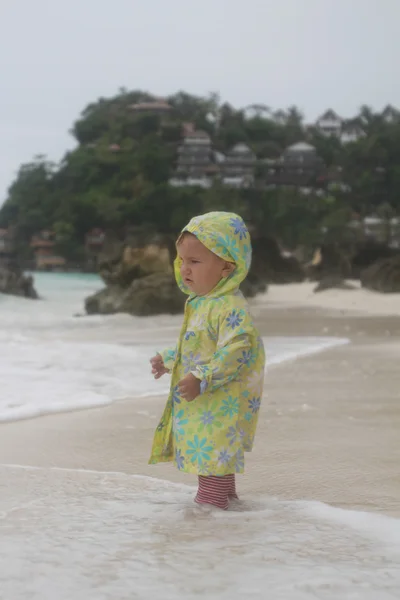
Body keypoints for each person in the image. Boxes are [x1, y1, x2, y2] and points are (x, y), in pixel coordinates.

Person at [149, 211, 265, 510]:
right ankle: (228, 506)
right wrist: (169, 359)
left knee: (212, 455)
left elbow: (237, 349)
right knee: (215, 456)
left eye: (195, 262)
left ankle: (211, 518)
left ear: (227, 267)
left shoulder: (229, 307)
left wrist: (203, 376)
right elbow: (196, 344)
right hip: (207, 399)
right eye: (182, 261)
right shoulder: (202, 302)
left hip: (220, 398)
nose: (185, 269)